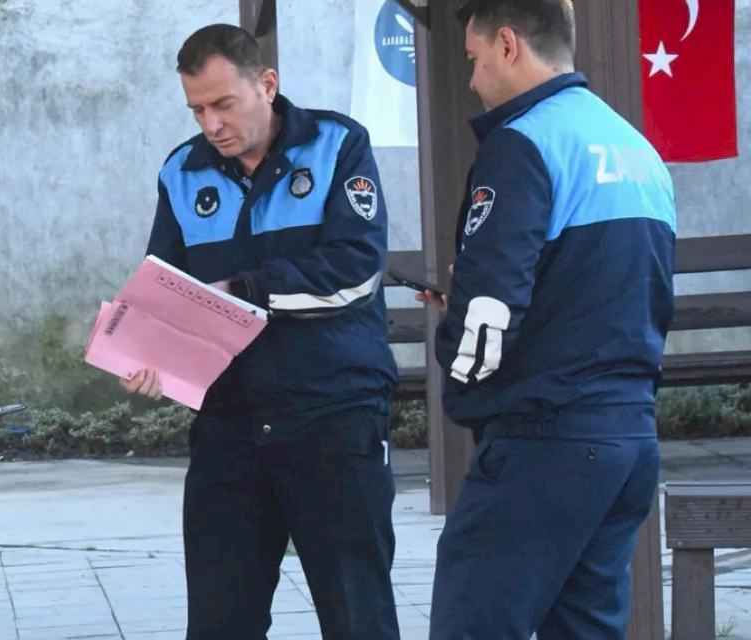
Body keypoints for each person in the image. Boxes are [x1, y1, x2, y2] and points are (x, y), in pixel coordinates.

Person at [122, 24, 401, 639]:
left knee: (358, 618)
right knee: (219, 623)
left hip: (333, 416)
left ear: (267, 85)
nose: (212, 124)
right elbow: (165, 288)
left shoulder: (337, 145)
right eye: (197, 110)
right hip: (229, 427)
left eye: (223, 104)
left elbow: (355, 271)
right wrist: (145, 353)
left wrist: (244, 290)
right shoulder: (181, 171)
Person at [419, 2, 677, 637]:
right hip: (628, 439)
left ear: (508, 44)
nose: (472, 81)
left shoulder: (521, 144)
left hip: (543, 441)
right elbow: (612, 290)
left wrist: (461, 356)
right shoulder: (636, 148)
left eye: (475, 59)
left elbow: (485, 317)